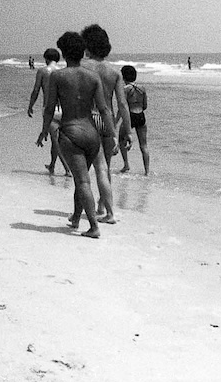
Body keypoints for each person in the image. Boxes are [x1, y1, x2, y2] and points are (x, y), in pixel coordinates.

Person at [41, 32, 117, 239]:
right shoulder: (93, 77)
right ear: (82, 52)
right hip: (92, 134)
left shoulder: (57, 76)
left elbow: (49, 108)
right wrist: (113, 134)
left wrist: (43, 131)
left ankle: (93, 226)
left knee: (82, 181)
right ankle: (76, 217)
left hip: (71, 133)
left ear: (64, 53)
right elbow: (104, 109)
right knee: (80, 178)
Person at [81, 24, 130, 224]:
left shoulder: (82, 67)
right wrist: (126, 131)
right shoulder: (115, 72)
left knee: (83, 170)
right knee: (105, 168)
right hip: (107, 122)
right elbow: (123, 105)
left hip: (87, 119)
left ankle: (82, 212)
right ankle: (105, 209)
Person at [28, 48, 70, 176]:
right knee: (56, 139)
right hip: (64, 109)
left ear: (46, 58)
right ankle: (52, 165)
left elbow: (36, 90)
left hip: (49, 109)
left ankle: (67, 169)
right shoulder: (64, 71)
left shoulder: (42, 71)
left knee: (55, 140)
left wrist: (30, 106)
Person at [118, 65, 150, 175]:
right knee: (144, 145)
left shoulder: (125, 89)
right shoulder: (142, 88)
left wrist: (115, 121)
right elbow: (145, 105)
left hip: (130, 116)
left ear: (123, 76)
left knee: (121, 139)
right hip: (141, 115)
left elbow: (122, 107)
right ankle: (147, 171)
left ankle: (126, 164)